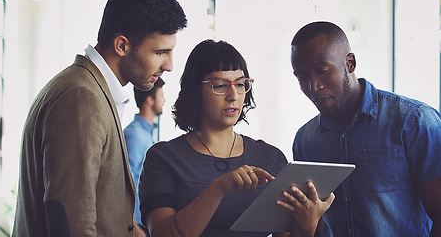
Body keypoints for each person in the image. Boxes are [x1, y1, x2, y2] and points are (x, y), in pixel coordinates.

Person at [12, 0, 187, 236]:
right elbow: (72, 223)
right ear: (122, 46)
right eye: (160, 52)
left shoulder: (91, 89)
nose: (169, 65)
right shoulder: (81, 96)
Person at [138, 39, 334, 237]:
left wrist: (307, 225)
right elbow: (161, 234)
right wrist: (219, 188)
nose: (233, 95)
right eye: (220, 85)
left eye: (240, 84)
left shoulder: (270, 158)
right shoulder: (164, 158)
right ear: (195, 90)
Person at [290, 21, 441, 236]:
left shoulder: (414, 121)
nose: (313, 86)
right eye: (302, 78)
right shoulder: (305, 139)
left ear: (350, 63)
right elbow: (316, 223)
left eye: (322, 71)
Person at [124, 77, 166, 237]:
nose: (164, 100)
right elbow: (127, 182)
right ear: (150, 100)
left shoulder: (148, 135)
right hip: (137, 227)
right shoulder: (134, 135)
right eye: (161, 95)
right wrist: (133, 226)